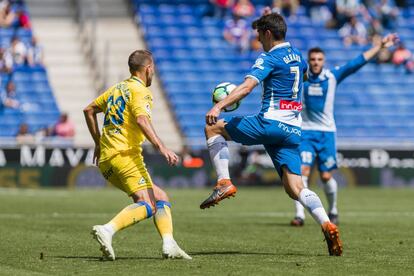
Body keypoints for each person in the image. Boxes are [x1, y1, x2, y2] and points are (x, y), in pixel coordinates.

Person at [201, 13, 342, 256]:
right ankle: (326, 224)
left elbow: (246, 87)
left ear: (267, 34)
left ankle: (224, 182)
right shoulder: (298, 56)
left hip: (269, 123)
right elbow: (304, 76)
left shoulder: (269, 57)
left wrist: (218, 106)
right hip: (293, 131)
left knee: (213, 128)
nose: (257, 40)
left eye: (259, 35)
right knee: (295, 188)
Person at [83, 50, 191, 261]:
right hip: (125, 155)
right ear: (148, 69)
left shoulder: (117, 88)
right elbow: (142, 120)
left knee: (160, 198)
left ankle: (169, 244)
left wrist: (98, 142)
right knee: (148, 204)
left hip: (107, 160)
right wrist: (162, 147)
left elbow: (88, 110)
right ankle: (107, 230)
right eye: (153, 70)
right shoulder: (139, 91)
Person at [290, 33, 399, 227]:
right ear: (308, 61)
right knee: (303, 171)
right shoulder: (302, 78)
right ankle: (300, 215)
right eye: (312, 59)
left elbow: (356, 63)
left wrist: (380, 47)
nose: (315, 62)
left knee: (325, 176)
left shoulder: (332, 77)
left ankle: (333, 210)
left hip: (326, 133)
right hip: (305, 132)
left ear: (324, 61)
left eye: (319, 59)